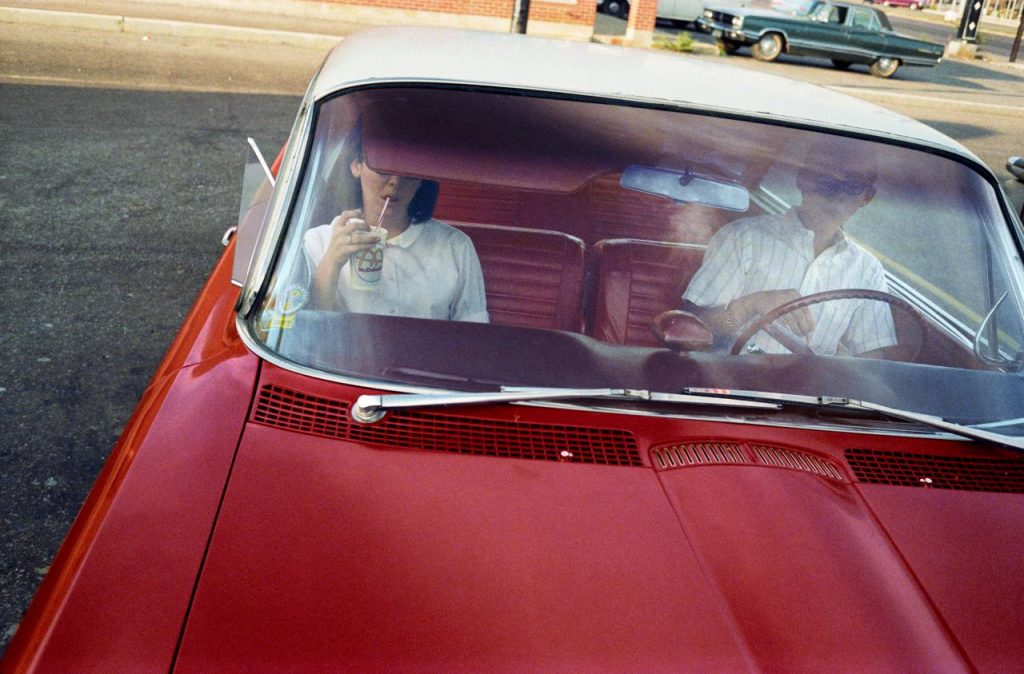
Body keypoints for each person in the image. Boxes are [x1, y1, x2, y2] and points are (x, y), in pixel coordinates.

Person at [681, 137, 896, 356]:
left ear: (866, 197)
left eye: (852, 184)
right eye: (824, 178)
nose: (834, 194)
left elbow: (872, 358)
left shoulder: (868, 270)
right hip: (730, 375)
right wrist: (749, 305)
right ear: (803, 179)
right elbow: (692, 328)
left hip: (812, 379)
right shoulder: (742, 237)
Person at [303, 130, 489, 323]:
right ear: (357, 165)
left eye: (409, 171)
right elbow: (305, 327)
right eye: (383, 168)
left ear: (421, 179)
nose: (395, 182)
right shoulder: (317, 242)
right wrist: (332, 262)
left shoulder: (455, 246)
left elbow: (474, 329)